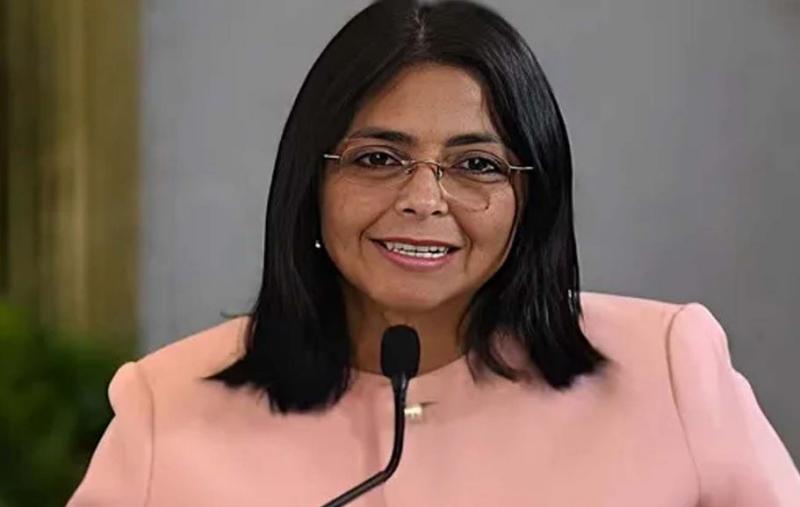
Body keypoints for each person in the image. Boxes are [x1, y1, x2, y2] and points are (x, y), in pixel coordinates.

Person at [68, 0, 800, 505]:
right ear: (310, 184)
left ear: (533, 196)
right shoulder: (169, 402)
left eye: (476, 165)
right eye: (378, 158)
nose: (424, 199)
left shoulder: (668, 368)